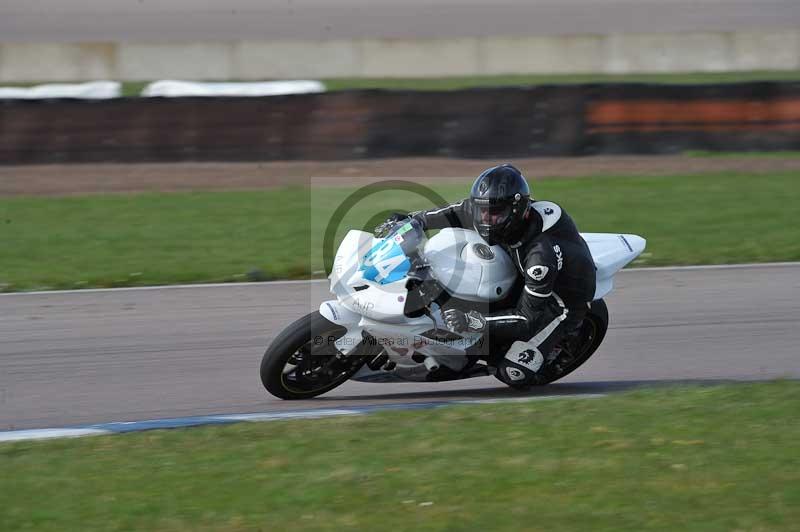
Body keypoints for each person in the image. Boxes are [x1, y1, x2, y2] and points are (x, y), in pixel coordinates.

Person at [375, 164, 597, 385]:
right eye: (482, 210)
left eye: (495, 214)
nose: (486, 218)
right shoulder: (487, 209)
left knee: (513, 374)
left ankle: (540, 348)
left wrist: (473, 321)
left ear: (518, 210)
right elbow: (445, 214)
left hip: (559, 303)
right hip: (523, 271)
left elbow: (527, 318)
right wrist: (410, 222)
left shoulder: (540, 258)